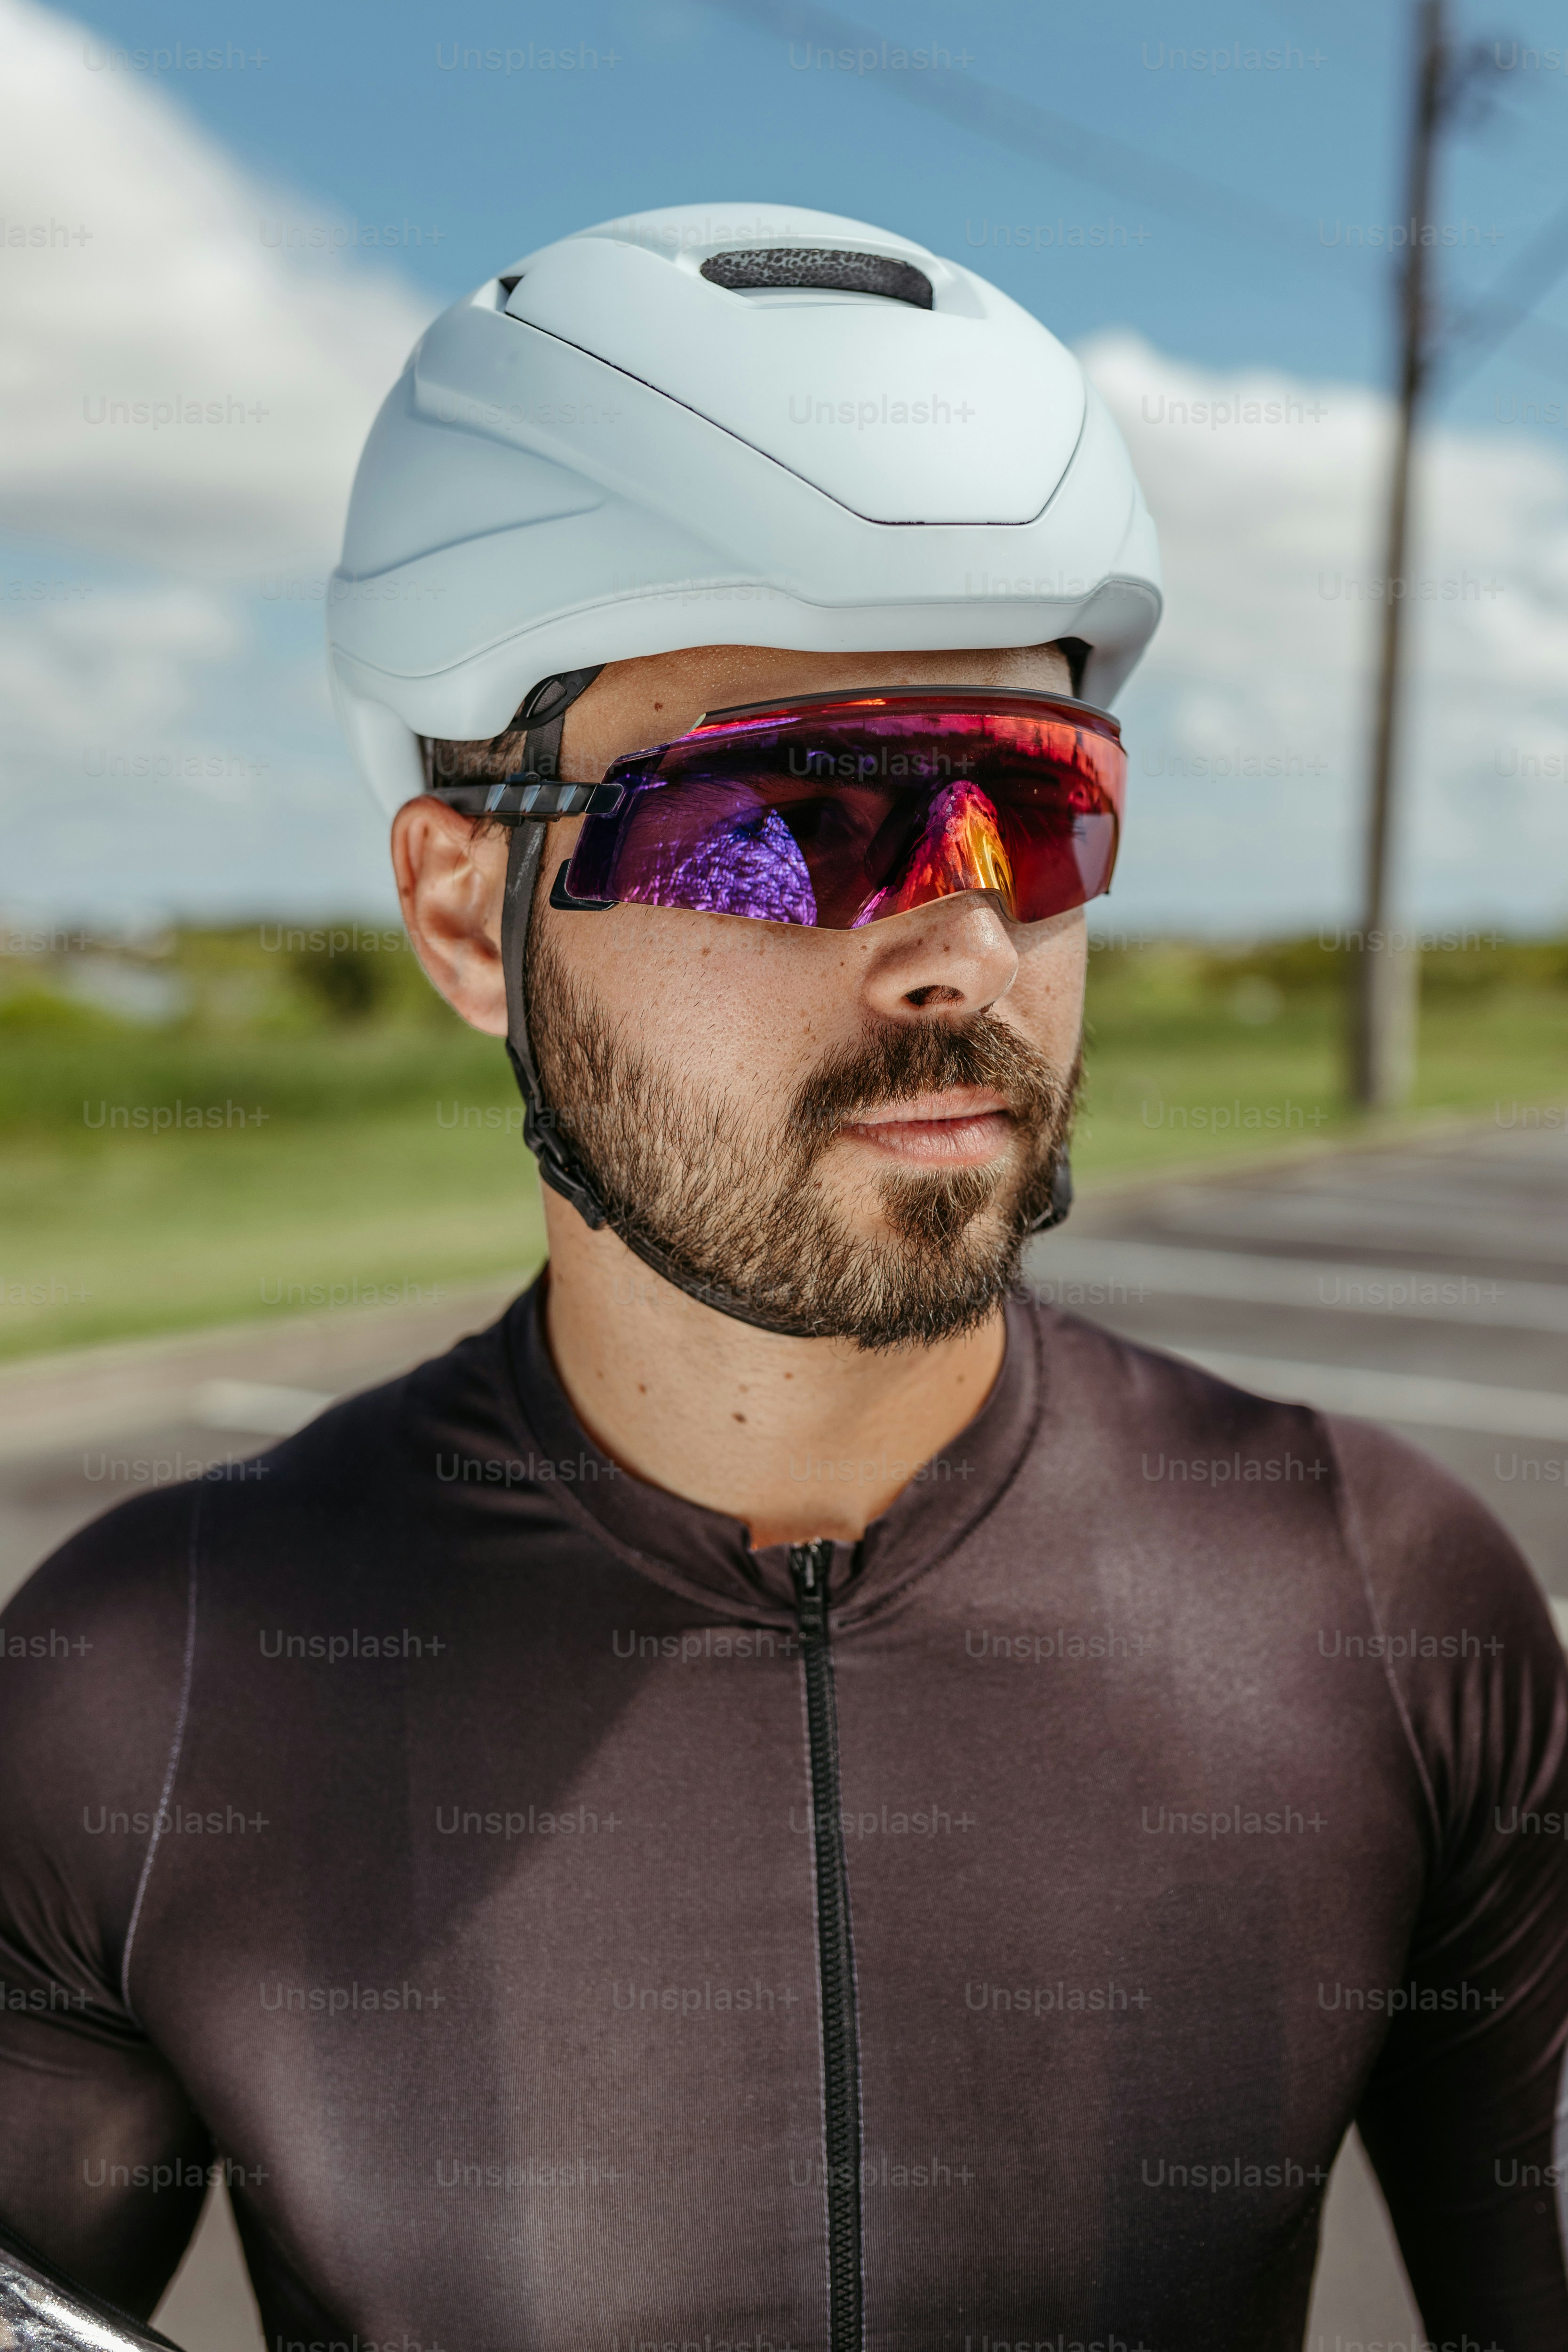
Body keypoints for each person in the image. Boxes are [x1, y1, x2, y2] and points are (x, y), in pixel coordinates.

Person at [1, 203, 1564, 2352]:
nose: (958, 939)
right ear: (470, 913)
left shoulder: (1390, 1598)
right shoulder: (147, 1677)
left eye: (1034, 806)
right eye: (787, 818)